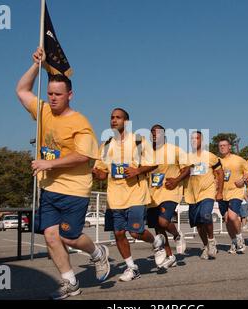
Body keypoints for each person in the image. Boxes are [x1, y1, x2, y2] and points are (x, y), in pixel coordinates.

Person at [16, 48, 110, 299]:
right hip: (50, 189)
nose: (53, 98)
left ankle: (98, 253)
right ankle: (70, 282)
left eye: (58, 94)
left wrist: (49, 165)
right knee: (50, 236)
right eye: (50, 94)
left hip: (74, 189)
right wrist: (36, 65)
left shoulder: (80, 123)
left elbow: (84, 156)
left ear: (70, 95)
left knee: (70, 237)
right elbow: (22, 91)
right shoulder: (44, 111)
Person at [92, 108, 167, 281]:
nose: (113, 120)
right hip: (115, 197)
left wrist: (137, 170)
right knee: (118, 233)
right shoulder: (106, 145)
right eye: (111, 117)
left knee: (135, 232)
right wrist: (96, 174)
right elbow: (103, 173)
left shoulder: (139, 141)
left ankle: (156, 242)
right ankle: (131, 267)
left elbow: (153, 163)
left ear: (126, 122)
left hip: (136, 194)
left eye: (118, 117)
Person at [147, 124, 190, 268]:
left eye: (158, 132)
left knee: (163, 222)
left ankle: (178, 235)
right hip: (152, 194)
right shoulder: (146, 152)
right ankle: (170, 256)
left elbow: (187, 169)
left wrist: (176, 180)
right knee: (159, 230)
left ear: (164, 135)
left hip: (170, 191)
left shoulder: (175, 150)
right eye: (152, 132)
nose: (154, 134)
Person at [185, 131, 224, 259]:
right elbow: (182, 173)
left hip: (208, 191)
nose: (194, 140)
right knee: (199, 224)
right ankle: (206, 245)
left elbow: (220, 173)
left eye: (197, 138)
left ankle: (212, 241)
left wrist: (219, 192)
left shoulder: (210, 156)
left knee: (205, 216)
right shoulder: (187, 157)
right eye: (192, 138)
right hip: (192, 194)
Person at [218, 139, 248, 254]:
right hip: (222, 193)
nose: (222, 147)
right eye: (220, 146)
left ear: (229, 147)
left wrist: (242, 180)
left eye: (224, 145)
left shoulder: (238, 159)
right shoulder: (218, 161)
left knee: (233, 216)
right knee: (227, 219)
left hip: (236, 191)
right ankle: (233, 242)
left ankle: (239, 238)